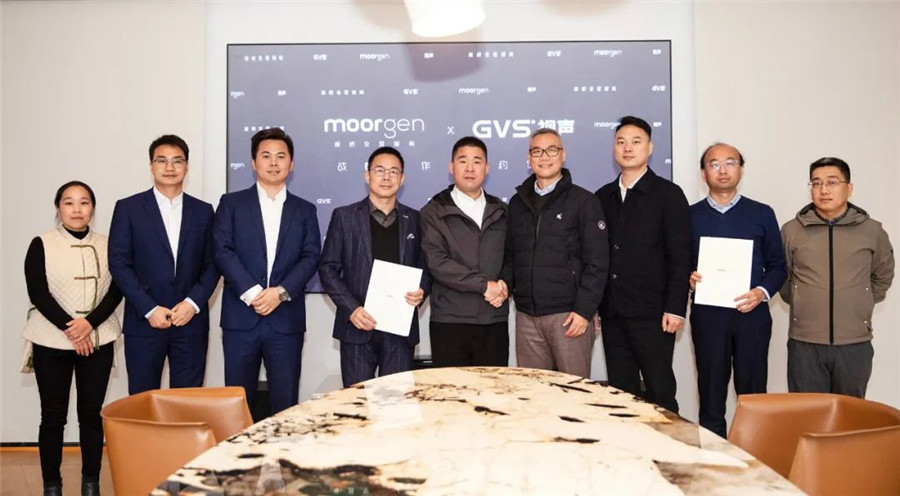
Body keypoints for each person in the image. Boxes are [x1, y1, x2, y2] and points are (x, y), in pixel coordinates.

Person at [22, 181, 123, 496]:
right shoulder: (42, 243)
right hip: (51, 340)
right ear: (58, 208)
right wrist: (72, 328)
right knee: (53, 417)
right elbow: (38, 292)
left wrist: (89, 324)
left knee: (91, 416)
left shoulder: (110, 244)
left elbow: (118, 289)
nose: (77, 209)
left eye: (84, 202)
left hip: (98, 339)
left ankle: (91, 483)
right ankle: (51, 485)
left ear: (93, 208)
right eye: (69, 202)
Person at [213, 128, 321, 415]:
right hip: (240, 319)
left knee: (285, 403)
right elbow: (222, 250)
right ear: (253, 162)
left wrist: (280, 294)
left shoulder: (305, 210)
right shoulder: (231, 204)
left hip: (286, 321)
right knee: (237, 404)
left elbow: (311, 256)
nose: (274, 162)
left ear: (291, 164)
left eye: (281, 156)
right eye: (266, 156)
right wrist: (254, 294)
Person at [688, 143, 787, 437]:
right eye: (714, 164)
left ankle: (754, 455)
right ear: (703, 174)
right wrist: (687, 278)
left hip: (751, 316)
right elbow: (677, 262)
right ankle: (713, 456)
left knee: (753, 396)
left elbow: (778, 266)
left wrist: (760, 292)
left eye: (730, 163)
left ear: (741, 171)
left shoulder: (762, 213)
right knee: (710, 394)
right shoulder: (689, 215)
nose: (723, 170)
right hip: (708, 317)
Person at [108, 135, 219, 394]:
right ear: (151, 166)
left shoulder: (203, 211)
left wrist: (192, 304)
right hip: (144, 322)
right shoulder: (128, 208)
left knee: (187, 402)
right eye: (162, 161)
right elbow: (119, 263)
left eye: (177, 161)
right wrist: (149, 308)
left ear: (187, 167)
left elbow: (213, 264)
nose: (170, 167)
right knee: (143, 400)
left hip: (190, 322)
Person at [595, 115, 691, 413]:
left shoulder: (668, 195)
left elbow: (680, 255)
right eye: (621, 142)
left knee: (660, 391)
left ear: (649, 148)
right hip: (613, 313)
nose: (627, 148)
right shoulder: (602, 196)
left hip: (653, 314)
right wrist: (595, 306)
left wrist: (675, 307)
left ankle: (669, 442)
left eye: (636, 142)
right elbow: (597, 257)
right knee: (622, 394)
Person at [780, 157, 894, 397]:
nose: (823, 190)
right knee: (808, 412)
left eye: (832, 182)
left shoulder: (872, 230)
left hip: (854, 343)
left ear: (849, 188)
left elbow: (882, 275)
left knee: (850, 413)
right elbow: (783, 276)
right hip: (805, 343)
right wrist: (803, 299)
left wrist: (860, 300)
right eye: (816, 183)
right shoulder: (792, 230)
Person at [501, 128, 608, 378]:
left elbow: (598, 261)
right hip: (527, 317)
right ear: (529, 158)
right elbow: (511, 256)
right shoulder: (517, 203)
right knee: (534, 393)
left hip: (569, 316)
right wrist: (505, 285)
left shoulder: (584, 201)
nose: (544, 157)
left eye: (551, 150)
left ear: (563, 155)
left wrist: (584, 311)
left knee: (574, 391)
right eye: (537, 151)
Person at [319, 147, 430, 387]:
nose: (386, 177)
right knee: (357, 402)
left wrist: (421, 290)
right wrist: (352, 309)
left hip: (399, 331)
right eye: (379, 171)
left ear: (402, 178)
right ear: (367, 175)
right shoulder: (344, 216)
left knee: (397, 402)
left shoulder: (416, 219)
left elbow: (426, 266)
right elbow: (327, 268)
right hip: (357, 327)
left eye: (393, 172)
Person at [420, 136, 509, 367]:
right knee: (451, 389)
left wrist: (505, 284)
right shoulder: (433, 211)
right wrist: (484, 286)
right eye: (463, 161)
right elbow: (438, 263)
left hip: (494, 320)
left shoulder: (502, 211)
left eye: (477, 161)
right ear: (451, 167)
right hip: (450, 321)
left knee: (495, 388)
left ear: (487, 168)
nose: (470, 168)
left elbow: (514, 257)